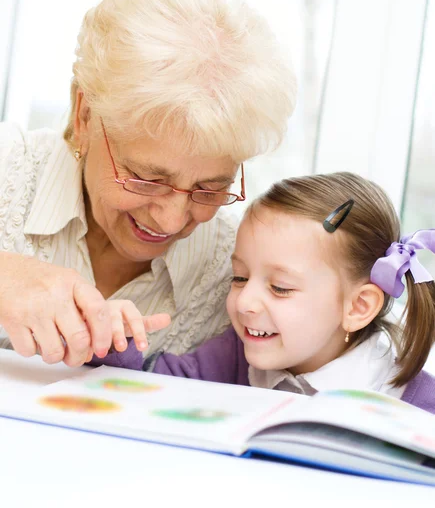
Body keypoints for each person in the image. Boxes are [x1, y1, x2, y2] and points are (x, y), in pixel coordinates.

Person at [0, 0, 297, 367]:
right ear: (85, 115)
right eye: (147, 178)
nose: (172, 220)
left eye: (209, 187)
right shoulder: (9, 167)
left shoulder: (234, 270)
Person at [98, 172, 435, 414]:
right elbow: (140, 395)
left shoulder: (415, 404)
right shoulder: (231, 356)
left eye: (280, 287)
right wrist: (112, 341)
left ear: (359, 307)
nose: (244, 302)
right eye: (240, 277)